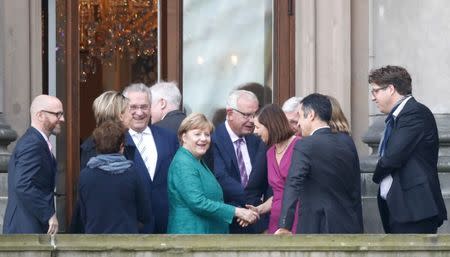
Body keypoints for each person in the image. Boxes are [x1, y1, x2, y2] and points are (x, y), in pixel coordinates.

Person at [369, 65, 447, 233]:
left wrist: (375, 176)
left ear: (390, 89)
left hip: (415, 209)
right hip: (402, 207)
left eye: (375, 91)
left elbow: (392, 157)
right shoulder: (400, 116)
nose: (373, 98)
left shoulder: (414, 113)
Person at [276, 93, 363, 234]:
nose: (298, 123)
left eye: (300, 116)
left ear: (311, 115)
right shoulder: (347, 141)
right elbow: (355, 187)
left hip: (316, 226)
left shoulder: (305, 145)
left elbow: (293, 184)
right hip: (347, 225)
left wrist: (285, 225)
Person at [167, 113, 259, 234]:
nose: (203, 138)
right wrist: (236, 212)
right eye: (197, 134)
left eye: (207, 134)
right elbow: (198, 202)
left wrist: (241, 213)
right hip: (190, 237)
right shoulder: (183, 162)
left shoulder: (197, 161)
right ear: (184, 137)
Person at [205, 89, 270, 233]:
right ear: (230, 113)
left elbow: (266, 178)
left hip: (259, 220)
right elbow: (221, 179)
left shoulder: (257, 139)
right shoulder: (213, 140)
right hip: (230, 221)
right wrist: (251, 205)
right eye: (247, 115)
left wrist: (261, 209)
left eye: (254, 115)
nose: (252, 120)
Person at [3, 95, 64, 234]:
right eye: (57, 114)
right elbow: (23, 184)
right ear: (40, 115)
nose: (62, 119)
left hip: (28, 227)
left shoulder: (36, 142)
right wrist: (48, 213)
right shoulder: (32, 143)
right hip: (24, 229)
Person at [122, 83, 179, 233]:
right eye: (133, 107)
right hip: (132, 224)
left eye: (144, 107)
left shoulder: (169, 138)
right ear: (124, 109)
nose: (139, 113)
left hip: (166, 222)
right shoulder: (118, 141)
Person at [77, 121, 152, 233]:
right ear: (122, 147)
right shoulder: (132, 173)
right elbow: (145, 215)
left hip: (95, 241)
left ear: (97, 147)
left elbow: (83, 215)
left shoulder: (85, 175)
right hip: (125, 241)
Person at [251, 104, 300, 234]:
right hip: (275, 222)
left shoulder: (300, 146)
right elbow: (278, 194)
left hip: (297, 220)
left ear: (270, 125)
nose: (254, 131)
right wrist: (259, 209)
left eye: (257, 127)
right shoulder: (270, 152)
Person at [80, 90, 131, 169]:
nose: (132, 115)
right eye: (129, 111)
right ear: (120, 116)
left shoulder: (126, 141)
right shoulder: (91, 148)